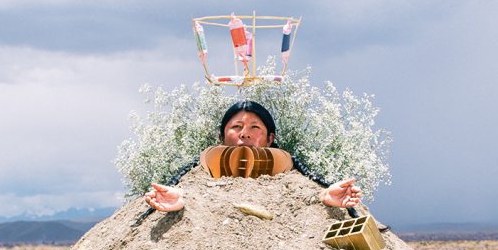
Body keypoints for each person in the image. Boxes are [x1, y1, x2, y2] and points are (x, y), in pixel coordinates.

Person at [144, 101, 362, 213]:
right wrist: (178, 201)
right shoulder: (201, 171)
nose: (244, 133)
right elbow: (189, 192)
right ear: (221, 137)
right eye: (236, 126)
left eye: (255, 127)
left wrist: (325, 198)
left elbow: (307, 196)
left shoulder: (290, 174)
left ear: (270, 138)